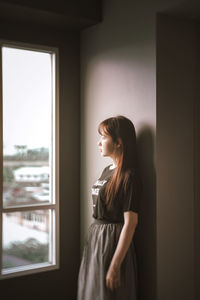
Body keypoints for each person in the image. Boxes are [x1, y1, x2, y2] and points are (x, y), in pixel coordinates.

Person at [77, 115, 142, 300]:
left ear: (119, 142)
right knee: (93, 292)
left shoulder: (130, 177)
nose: (99, 143)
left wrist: (115, 265)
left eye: (104, 137)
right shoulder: (107, 170)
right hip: (96, 238)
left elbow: (131, 223)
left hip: (112, 241)